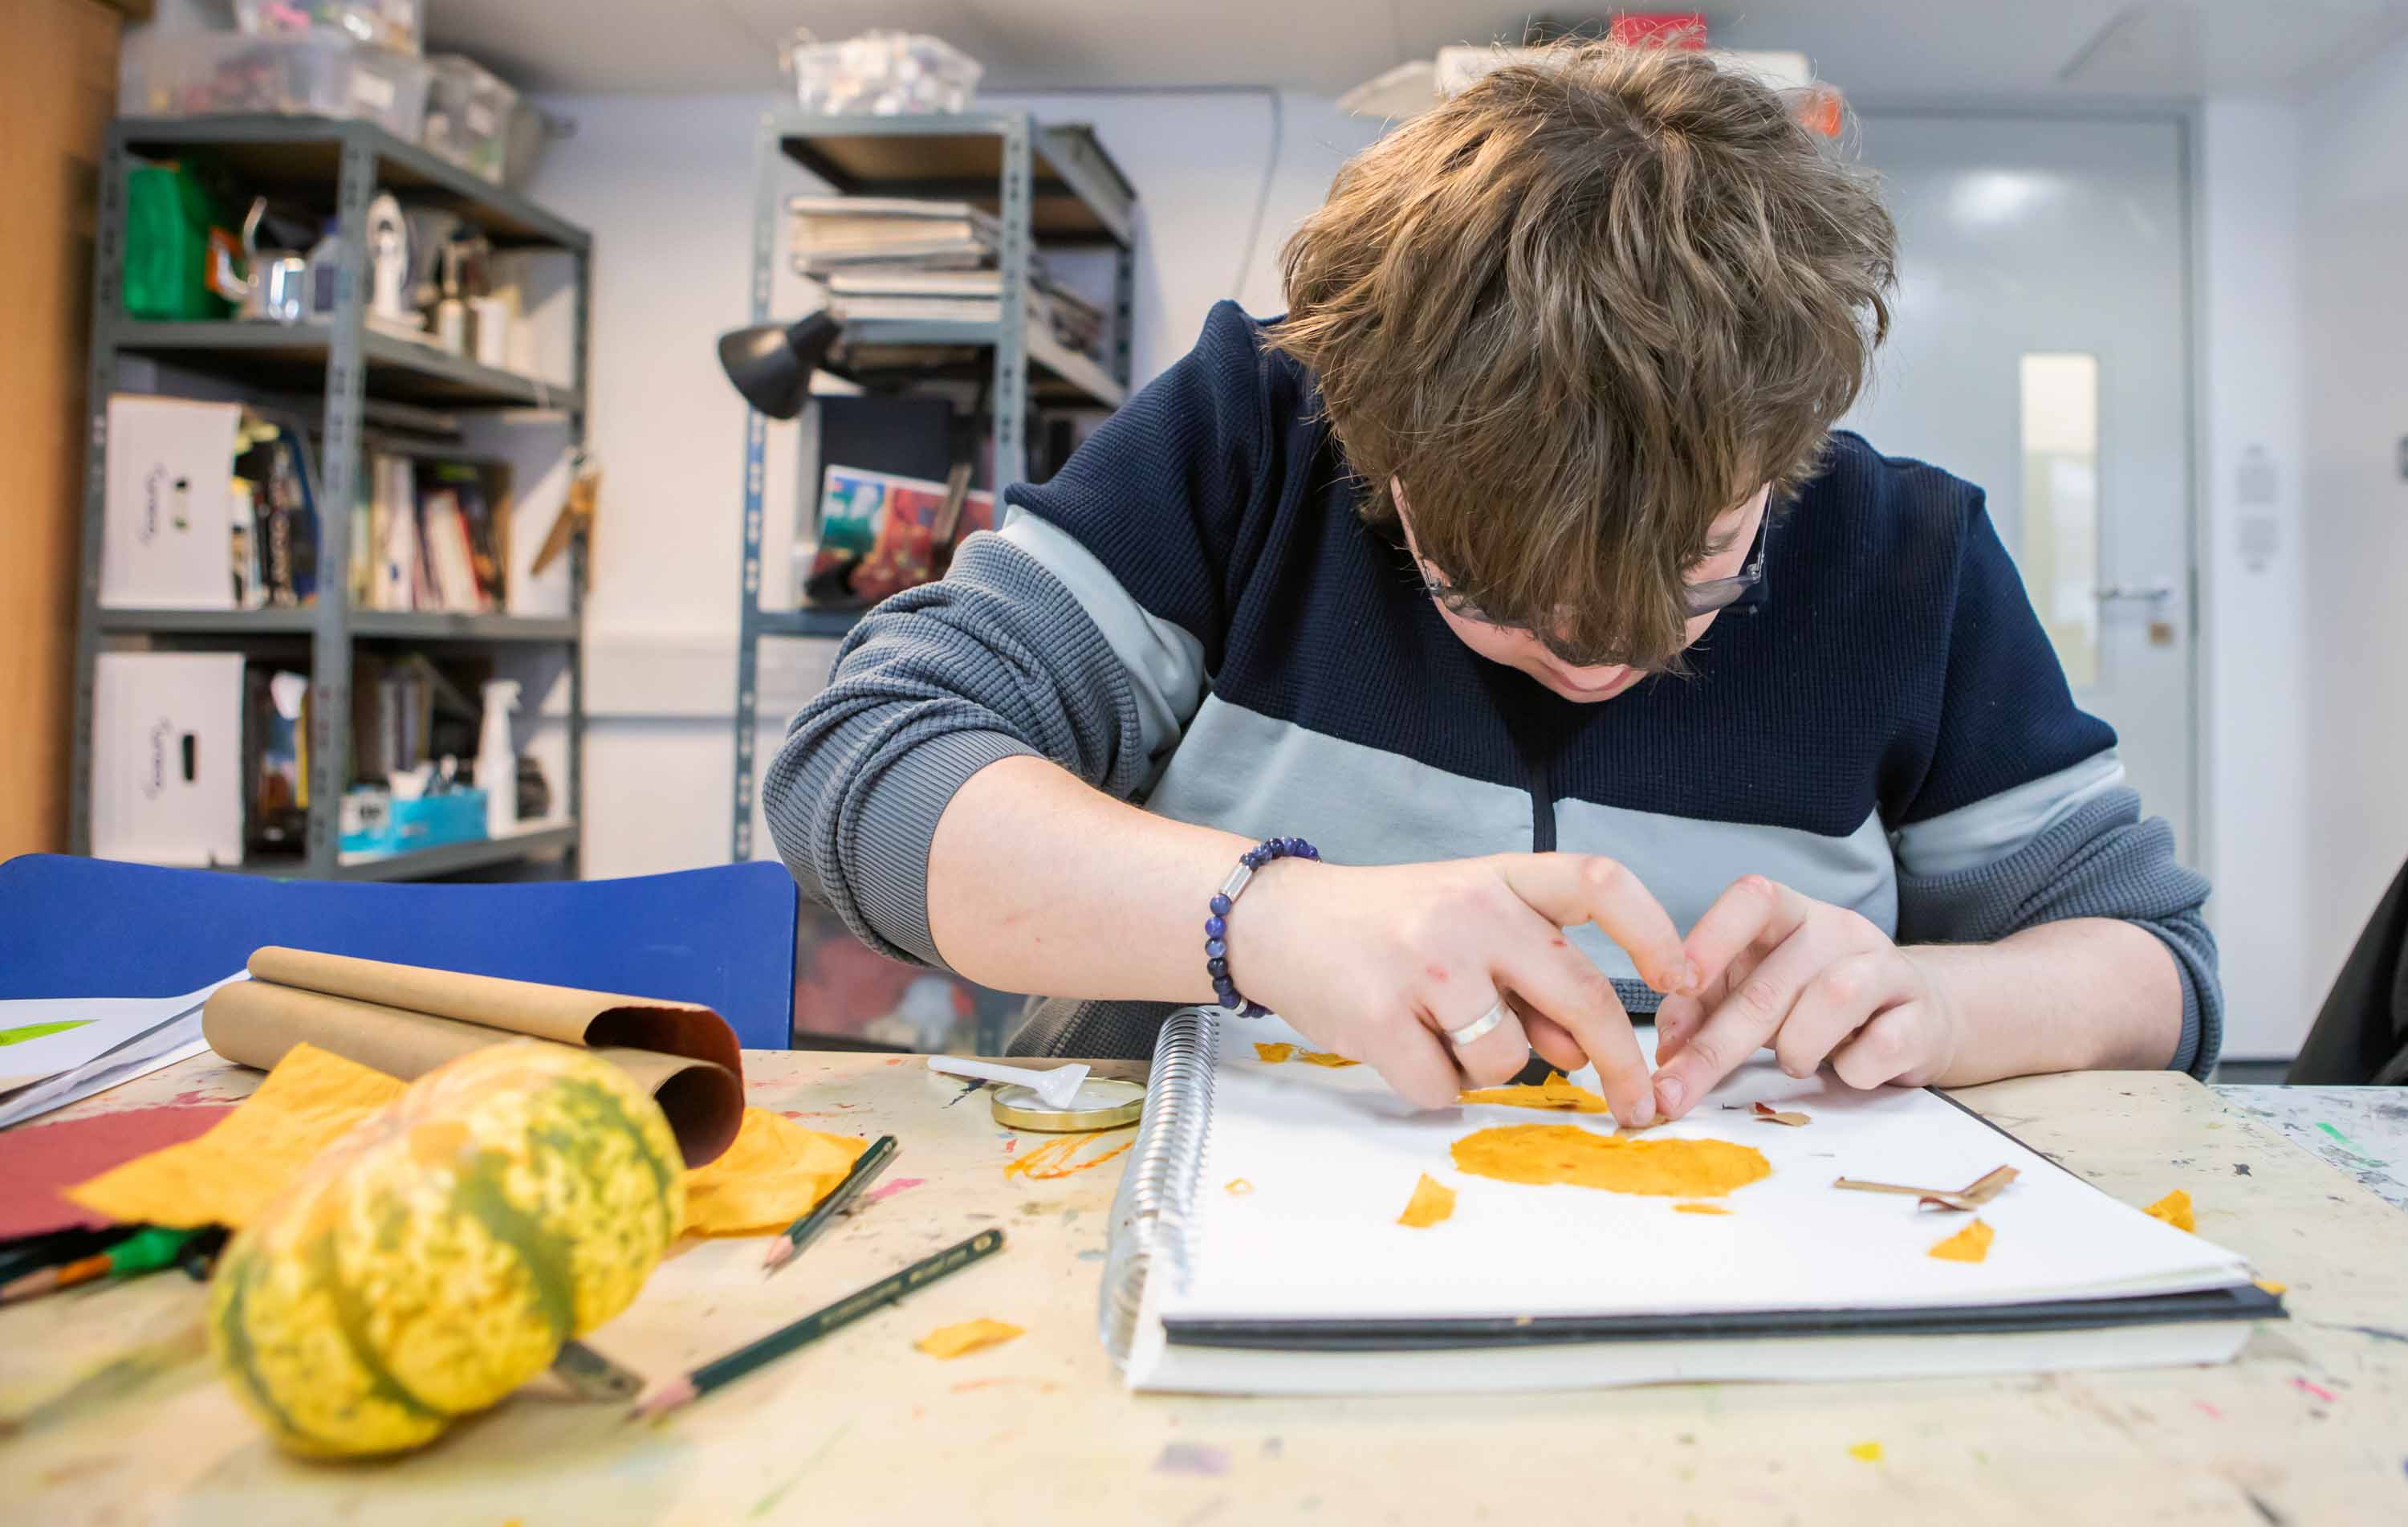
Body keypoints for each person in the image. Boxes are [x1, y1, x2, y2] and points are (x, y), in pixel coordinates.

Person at [766, 39, 2218, 1126]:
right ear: (1368, 437)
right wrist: (1263, 919)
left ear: (1791, 454)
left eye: (1701, 574)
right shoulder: (1252, 434)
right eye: (1491, 589)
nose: (1596, 664)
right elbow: (866, 779)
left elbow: (2157, 965)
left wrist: (1946, 999)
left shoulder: (1912, 555)